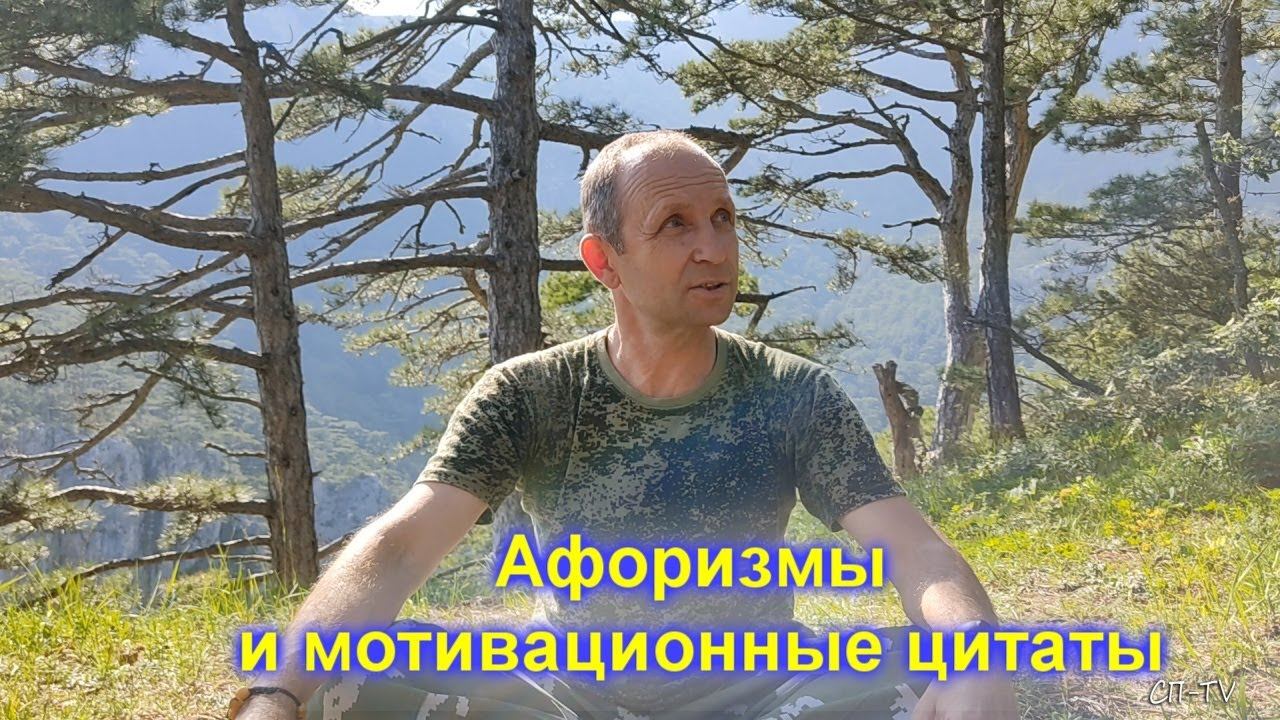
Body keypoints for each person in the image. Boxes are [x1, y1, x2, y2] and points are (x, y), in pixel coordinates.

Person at [230, 130, 1018, 720]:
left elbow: (913, 549)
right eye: (675, 224)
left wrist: (974, 663)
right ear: (603, 261)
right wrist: (277, 692)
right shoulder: (529, 393)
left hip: (761, 695)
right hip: (562, 695)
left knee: (925, 678)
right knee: (334, 686)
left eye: (722, 218)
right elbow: (401, 546)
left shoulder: (793, 392)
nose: (713, 248)